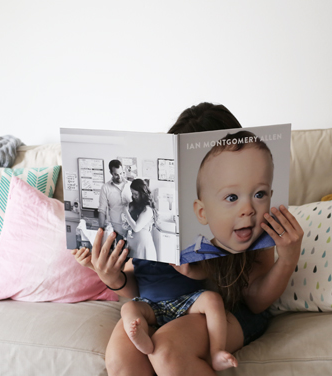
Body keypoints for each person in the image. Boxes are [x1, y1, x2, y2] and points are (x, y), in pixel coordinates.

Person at [72, 102, 303, 376]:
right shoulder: (151, 217)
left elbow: (254, 301)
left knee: (167, 351)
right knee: (122, 359)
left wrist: (288, 259)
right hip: (162, 305)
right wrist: (109, 276)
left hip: (224, 311)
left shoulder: (250, 217)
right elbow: (141, 288)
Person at [180, 130, 276, 264]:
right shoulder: (191, 257)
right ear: (203, 213)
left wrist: (287, 259)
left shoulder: (272, 239)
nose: (248, 209)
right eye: (232, 198)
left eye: (259, 195)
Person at [122, 179, 157, 261]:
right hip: (133, 245)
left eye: (136, 194)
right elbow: (133, 224)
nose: (133, 196)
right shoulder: (137, 206)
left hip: (142, 245)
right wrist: (127, 226)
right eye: (132, 193)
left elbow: (136, 228)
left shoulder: (147, 209)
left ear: (142, 194)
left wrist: (126, 212)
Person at [98, 159, 132, 238]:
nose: (119, 177)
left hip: (131, 228)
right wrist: (101, 230)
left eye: (121, 173)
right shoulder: (105, 188)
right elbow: (102, 210)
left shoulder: (130, 185)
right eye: (116, 174)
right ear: (111, 173)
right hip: (116, 230)